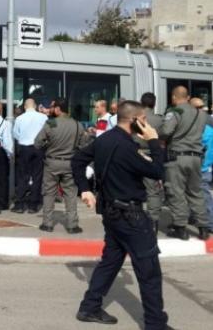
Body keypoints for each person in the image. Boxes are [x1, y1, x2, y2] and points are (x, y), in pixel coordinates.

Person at [72, 101, 169, 330]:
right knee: (149, 272)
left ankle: (89, 307)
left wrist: (84, 188)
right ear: (134, 120)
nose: (146, 122)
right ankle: (156, 324)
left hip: (111, 214)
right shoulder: (127, 147)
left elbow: (77, 161)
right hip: (131, 216)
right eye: (143, 119)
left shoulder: (105, 139)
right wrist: (154, 141)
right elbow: (157, 171)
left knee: (111, 261)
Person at [159, 86, 210, 240]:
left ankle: (180, 227)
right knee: (196, 191)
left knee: (176, 191)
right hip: (196, 158)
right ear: (187, 97)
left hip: (177, 157)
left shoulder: (175, 112)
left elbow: (166, 131)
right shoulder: (201, 114)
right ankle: (203, 228)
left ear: (174, 97)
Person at [35, 98, 88, 233]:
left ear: (58, 109)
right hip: (70, 163)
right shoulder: (77, 124)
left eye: (53, 107)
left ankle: (47, 224)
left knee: (49, 193)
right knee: (70, 194)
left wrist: (49, 145)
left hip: (52, 162)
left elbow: (37, 143)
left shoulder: (51, 123)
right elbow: (84, 145)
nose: (52, 109)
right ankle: (72, 225)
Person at [12, 98, 48, 213]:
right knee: (37, 176)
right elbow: (50, 129)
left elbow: (15, 134)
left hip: (24, 148)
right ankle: (33, 205)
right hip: (38, 148)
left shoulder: (19, 118)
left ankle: (20, 205)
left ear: (25, 107)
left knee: (23, 176)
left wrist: (23, 138)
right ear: (36, 106)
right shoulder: (43, 117)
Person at [139, 92, 165, 231]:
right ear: (154, 104)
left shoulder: (134, 118)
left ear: (141, 103)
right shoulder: (160, 120)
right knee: (153, 191)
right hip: (151, 157)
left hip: (134, 155)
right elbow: (164, 137)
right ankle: (153, 223)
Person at [190, 97, 213, 233]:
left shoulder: (198, 127)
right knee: (197, 193)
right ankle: (196, 217)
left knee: (202, 194)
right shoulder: (208, 124)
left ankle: (210, 222)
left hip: (201, 166)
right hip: (205, 165)